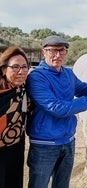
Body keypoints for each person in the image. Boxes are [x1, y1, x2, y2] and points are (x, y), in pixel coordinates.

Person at [26, 35, 87, 188]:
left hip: (68, 142)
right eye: (52, 50)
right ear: (43, 52)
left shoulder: (67, 73)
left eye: (62, 50)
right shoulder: (37, 77)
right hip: (44, 145)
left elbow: (83, 89)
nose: (58, 55)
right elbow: (56, 107)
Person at [0, 46, 30, 188]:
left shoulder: (23, 90)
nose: (21, 71)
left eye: (25, 67)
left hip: (16, 149)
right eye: (15, 67)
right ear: (4, 69)